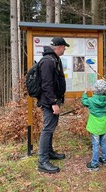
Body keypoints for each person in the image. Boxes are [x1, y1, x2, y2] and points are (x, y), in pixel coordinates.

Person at [37, 37, 69, 174]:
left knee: (51, 128)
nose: (65, 49)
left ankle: (49, 153)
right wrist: (53, 103)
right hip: (49, 102)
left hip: (54, 100)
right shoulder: (47, 62)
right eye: (64, 47)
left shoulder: (54, 59)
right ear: (59, 46)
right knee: (47, 129)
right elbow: (46, 85)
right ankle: (42, 161)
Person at [82, 79, 106, 171]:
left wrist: (85, 94)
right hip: (104, 125)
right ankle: (105, 160)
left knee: (95, 144)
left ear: (95, 89)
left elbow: (84, 102)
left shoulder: (91, 100)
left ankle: (94, 164)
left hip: (95, 127)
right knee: (104, 142)